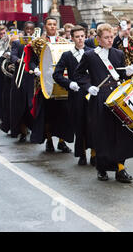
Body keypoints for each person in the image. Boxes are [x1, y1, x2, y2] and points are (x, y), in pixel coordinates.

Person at [75, 23, 133, 183]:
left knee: (121, 133)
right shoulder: (90, 55)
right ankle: (102, 168)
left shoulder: (118, 54)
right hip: (99, 97)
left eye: (111, 37)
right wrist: (88, 86)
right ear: (98, 39)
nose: (110, 40)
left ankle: (120, 168)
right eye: (106, 37)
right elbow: (78, 74)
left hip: (117, 97)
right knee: (103, 135)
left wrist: (128, 73)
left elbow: (121, 77)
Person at [25, 17, 74, 153]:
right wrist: (35, 69)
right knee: (47, 114)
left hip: (61, 83)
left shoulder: (65, 43)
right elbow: (31, 61)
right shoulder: (37, 43)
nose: (52, 27)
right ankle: (49, 141)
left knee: (63, 114)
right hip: (44, 84)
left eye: (54, 24)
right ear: (45, 26)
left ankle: (62, 141)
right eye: (49, 24)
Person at [53, 26, 94, 166]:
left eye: (82, 36)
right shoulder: (67, 55)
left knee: (93, 124)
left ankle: (94, 154)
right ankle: (82, 154)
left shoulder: (92, 52)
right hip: (76, 94)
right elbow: (56, 74)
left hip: (91, 93)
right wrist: (69, 83)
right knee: (80, 125)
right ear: (72, 38)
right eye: (77, 36)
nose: (80, 39)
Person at [9, 22, 35, 142]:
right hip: (19, 77)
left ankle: (33, 130)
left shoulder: (36, 43)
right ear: (24, 29)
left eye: (31, 29)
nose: (29, 30)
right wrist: (18, 60)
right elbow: (12, 56)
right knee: (20, 105)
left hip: (32, 78)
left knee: (31, 105)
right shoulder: (17, 42)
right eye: (27, 28)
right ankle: (21, 131)